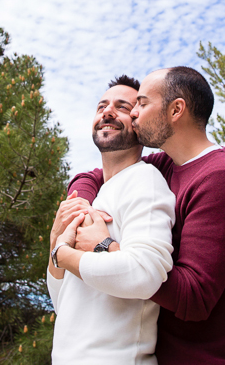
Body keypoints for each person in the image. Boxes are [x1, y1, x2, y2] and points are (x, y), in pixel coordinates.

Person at [69, 66, 225, 365]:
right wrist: (79, 204)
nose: (134, 114)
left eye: (142, 104)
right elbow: (94, 173)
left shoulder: (223, 179)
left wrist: (106, 246)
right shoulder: (167, 164)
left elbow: (195, 298)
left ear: (176, 110)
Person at [47, 75, 176, 365]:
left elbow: (146, 275)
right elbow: (63, 300)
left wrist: (63, 254)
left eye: (121, 107)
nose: (107, 112)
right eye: (101, 106)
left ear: (138, 122)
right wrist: (55, 248)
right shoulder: (92, 197)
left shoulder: (146, 182)